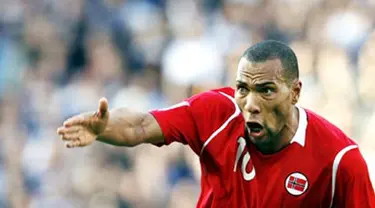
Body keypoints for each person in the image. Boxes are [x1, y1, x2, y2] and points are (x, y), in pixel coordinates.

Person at [57, 40, 375, 207]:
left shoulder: (339, 162)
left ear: (295, 92)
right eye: (243, 89)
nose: (250, 104)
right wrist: (105, 127)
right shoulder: (217, 112)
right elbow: (141, 125)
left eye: (266, 91)